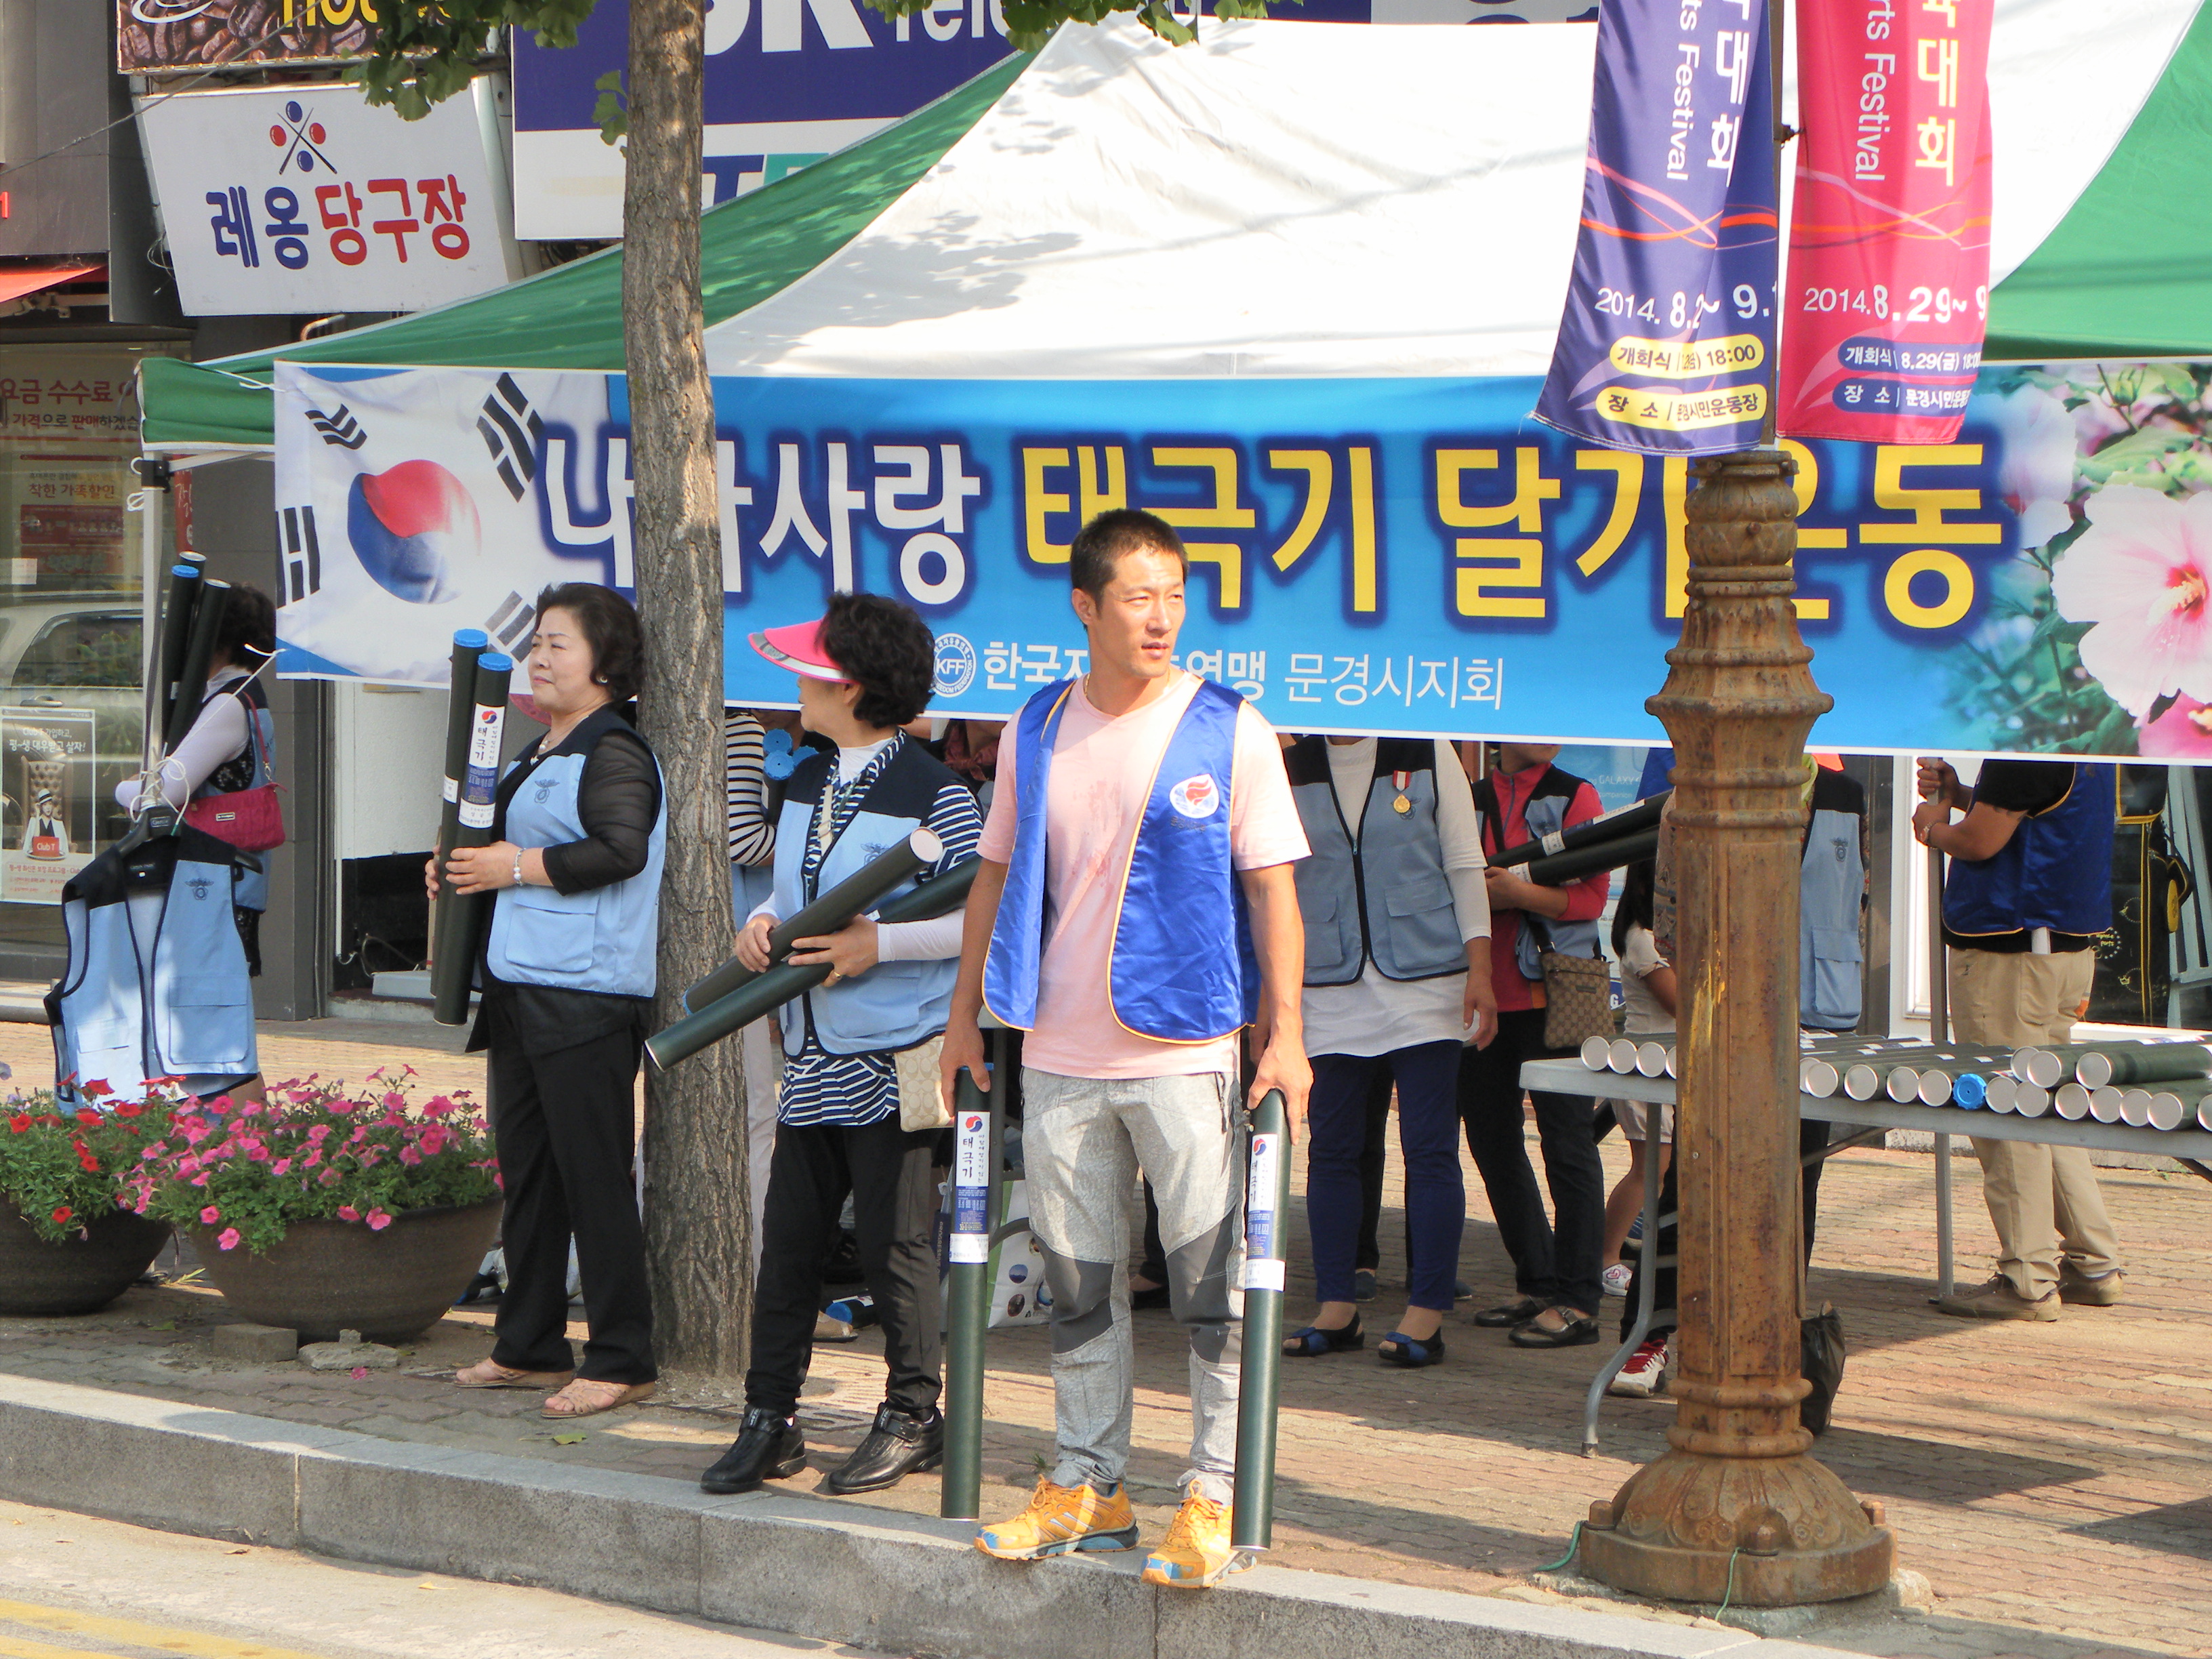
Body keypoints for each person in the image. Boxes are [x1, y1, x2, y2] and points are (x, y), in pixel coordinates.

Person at [941, 508, 1311, 1591]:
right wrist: (964, 1017)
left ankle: (1212, 1493)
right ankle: (1088, 1484)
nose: (1162, 618)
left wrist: (1288, 1036)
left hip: (1186, 1045)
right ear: (1086, 607)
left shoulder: (1228, 728)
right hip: (1057, 1048)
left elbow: (1274, 891)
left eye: (1175, 596)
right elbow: (995, 875)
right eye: (1139, 597)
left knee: (1209, 1285)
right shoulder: (1036, 726)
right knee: (1078, 1282)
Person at [701, 594, 981, 1498]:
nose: (795, 683)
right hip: (812, 1053)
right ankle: (769, 1417)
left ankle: (913, 1416)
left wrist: (878, 945)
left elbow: (983, 914)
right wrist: (761, 924)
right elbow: (791, 892)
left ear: (850, 685)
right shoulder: (808, 778)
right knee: (789, 1246)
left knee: (897, 1248)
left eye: (811, 669)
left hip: (897, 1055)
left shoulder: (936, 790)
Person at [440, 584, 664, 1420]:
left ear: (606, 664)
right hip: (521, 990)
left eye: (557, 644)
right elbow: (502, 853)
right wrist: (464, 870)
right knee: (530, 1176)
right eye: (535, 642)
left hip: (585, 997)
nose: (538, 657)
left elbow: (621, 850)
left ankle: (623, 1355)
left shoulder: (616, 750)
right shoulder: (538, 750)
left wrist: (512, 866)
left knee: (593, 1179)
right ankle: (528, 1342)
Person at [1280, 731, 1496, 1368]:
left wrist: (1480, 969)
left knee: (1429, 1149)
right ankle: (1336, 1306)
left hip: (1428, 978)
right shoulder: (1290, 766)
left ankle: (1426, 1312)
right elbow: (1271, 881)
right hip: (1327, 979)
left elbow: (1464, 863)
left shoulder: (1425, 749)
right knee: (1331, 1150)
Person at [1916, 756, 2124, 1319]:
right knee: (2048, 1110)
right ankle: (2093, 1261)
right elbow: (2033, 814)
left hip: (2009, 959)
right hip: (2063, 952)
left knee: (2007, 1112)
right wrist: (1963, 794)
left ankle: (2028, 1279)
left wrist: (1933, 828)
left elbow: (1981, 841)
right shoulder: (2093, 746)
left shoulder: (2022, 750)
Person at [1456, 743, 1610, 1347]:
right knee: (1491, 1140)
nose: (1547, 733)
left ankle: (1578, 1298)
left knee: (1568, 1145)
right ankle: (1538, 1280)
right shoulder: (1468, 798)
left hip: (1557, 997)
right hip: (1482, 998)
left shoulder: (1576, 795)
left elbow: (1590, 900)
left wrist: (1518, 895)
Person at [112, 581, 281, 1105]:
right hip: (229, 883)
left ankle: (242, 1144)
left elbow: (162, 794)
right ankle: (246, 1142)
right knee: (214, 1024)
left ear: (215, 639)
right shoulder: (246, 698)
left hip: (212, 887)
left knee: (217, 1032)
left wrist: (122, 788)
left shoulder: (226, 706)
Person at [1598, 859, 1674, 1301]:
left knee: (1664, 1170)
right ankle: (1605, 1257)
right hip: (1645, 1068)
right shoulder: (1642, 938)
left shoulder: (1662, 937)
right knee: (1649, 1170)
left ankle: (1632, 1241)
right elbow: (1680, 1001)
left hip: (1672, 1068)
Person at [725, 706, 780, 1269]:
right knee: (756, 1112)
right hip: (732, 947)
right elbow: (744, 839)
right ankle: (761, 1272)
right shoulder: (742, 726)